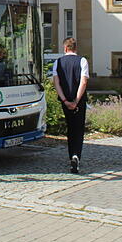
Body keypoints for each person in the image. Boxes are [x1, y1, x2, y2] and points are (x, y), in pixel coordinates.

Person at [52, 37, 89, 174]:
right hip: (79, 102)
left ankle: (71, 156)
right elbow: (83, 82)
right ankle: (76, 155)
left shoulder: (58, 62)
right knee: (78, 129)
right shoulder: (82, 61)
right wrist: (76, 100)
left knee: (70, 128)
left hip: (65, 100)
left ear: (65, 48)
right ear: (75, 48)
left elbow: (56, 83)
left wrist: (65, 101)